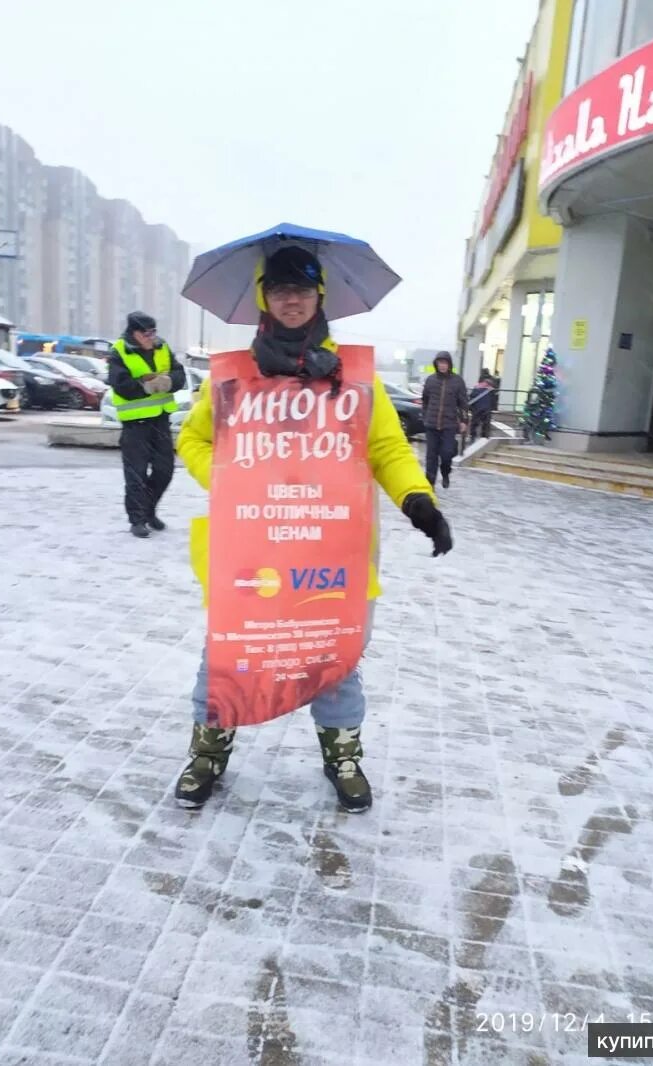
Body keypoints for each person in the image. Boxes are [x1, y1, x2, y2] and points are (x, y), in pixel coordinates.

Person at [174, 245, 453, 812]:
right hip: (250, 550)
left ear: (319, 296)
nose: (291, 300)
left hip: (331, 550)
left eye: (301, 290)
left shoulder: (355, 379)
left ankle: (343, 757)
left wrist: (419, 502)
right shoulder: (231, 378)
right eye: (279, 290)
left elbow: (388, 450)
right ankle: (207, 753)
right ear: (264, 299)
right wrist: (229, 480)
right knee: (229, 654)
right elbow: (194, 441)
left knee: (334, 658)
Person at [108, 311, 186, 538]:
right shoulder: (120, 351)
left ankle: (149, 510)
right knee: (136, 475)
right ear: (134, 333)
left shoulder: (162, 348)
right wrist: (145, 385)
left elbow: (179, 373)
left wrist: (170, 381)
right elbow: (118, 383)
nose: (151, 337)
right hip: (135, 424)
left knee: (165, 470)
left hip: (160, 420)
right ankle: (138, 520)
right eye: (146, 333)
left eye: (153, 332)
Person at [421, 352, 468, 488]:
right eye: (440, 363)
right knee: (431, 456)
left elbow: (463, 403)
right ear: (436, 364)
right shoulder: (430, 380)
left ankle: (445, 472)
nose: (442, 365)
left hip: (449, 424)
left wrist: (464, 420)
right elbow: (425, 401)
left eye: (445, 363)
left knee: (447, 453)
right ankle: (430, 484)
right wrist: (425, 416)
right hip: (431, 424)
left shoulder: (457, 381)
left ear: (449, 364)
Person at [469, 372, 497, 441]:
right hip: (486, 409)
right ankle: (484, 437)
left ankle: (473, 436)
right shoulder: (490, 390)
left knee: (475, 423)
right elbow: (493, 400)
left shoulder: (476, 389)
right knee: (485, 424)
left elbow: (471, 398)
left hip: (477, 408)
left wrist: (471, 408)